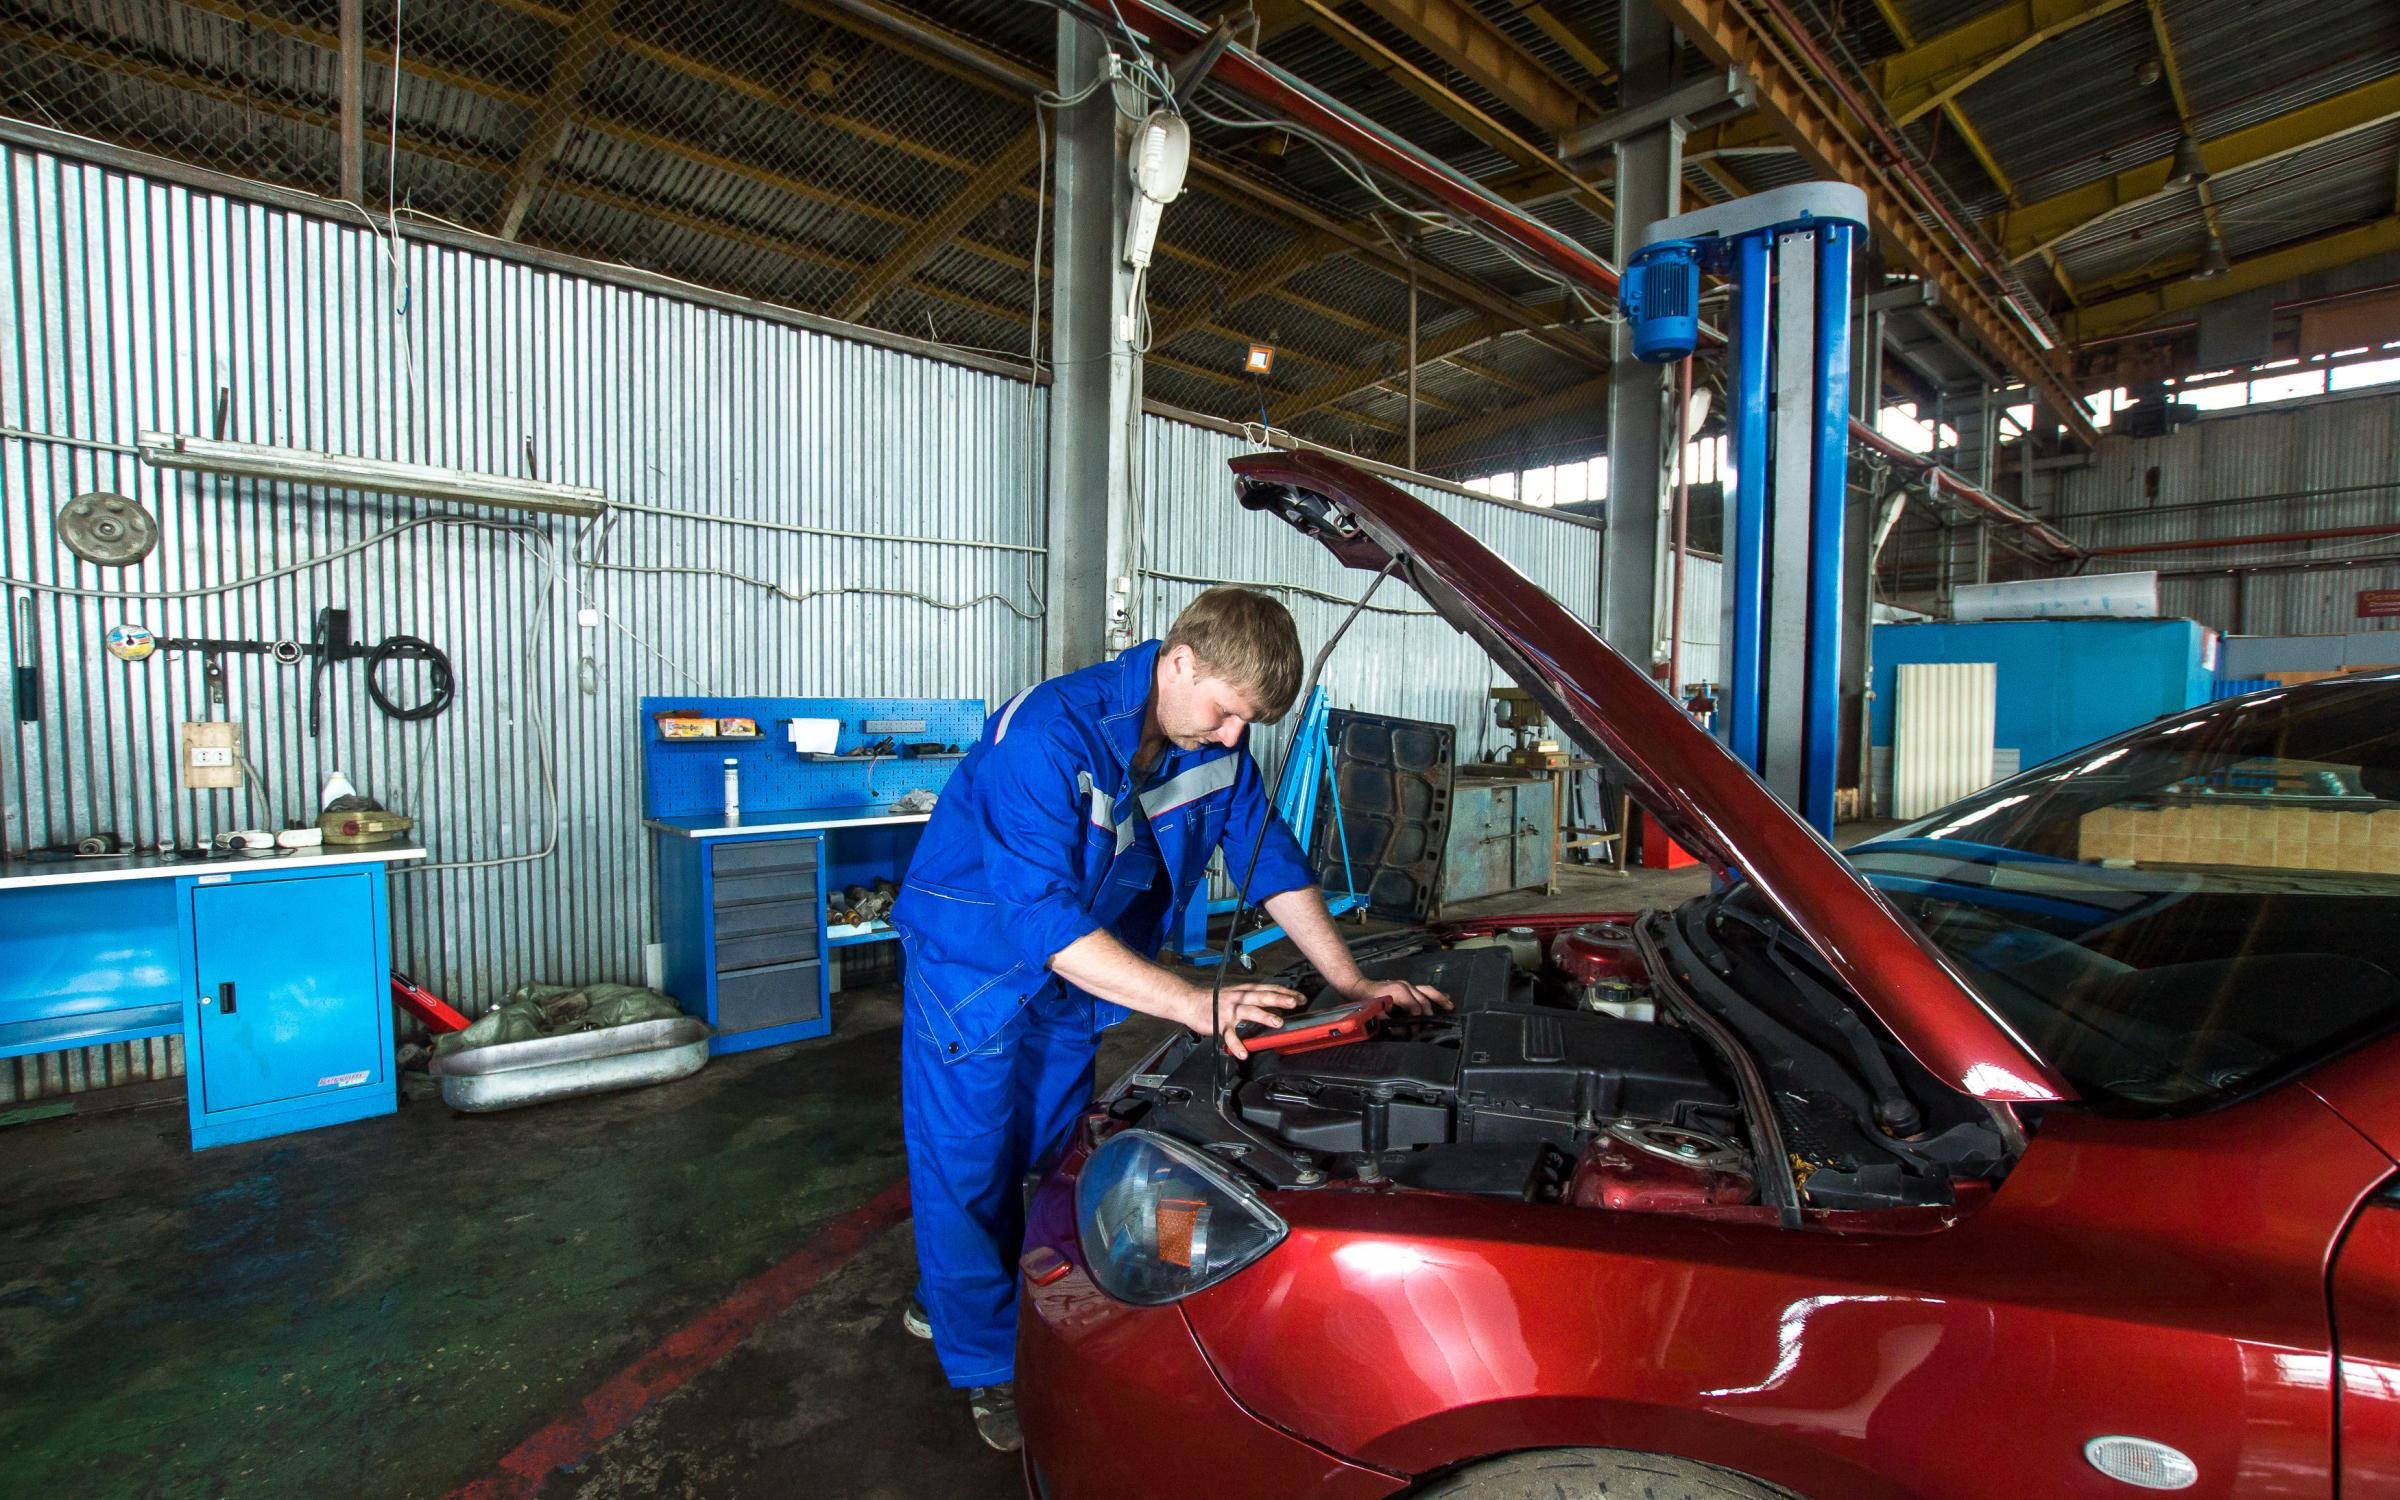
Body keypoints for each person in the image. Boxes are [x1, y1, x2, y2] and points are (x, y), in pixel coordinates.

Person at [888, 586, 1449, 1452]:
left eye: (1248, 724)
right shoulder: (1047, 736)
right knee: (965, 1165)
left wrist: (1353, 986)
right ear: (1180, 663)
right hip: (975, 968)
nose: (1233, 738)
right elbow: (1038, 921)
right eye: (1227, 713)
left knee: (1046, 1147)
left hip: (1078, 970)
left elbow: (1269, 858)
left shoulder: (1214, 744)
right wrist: (1192, 1002)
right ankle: (986, 1362)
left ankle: (969, 1280)